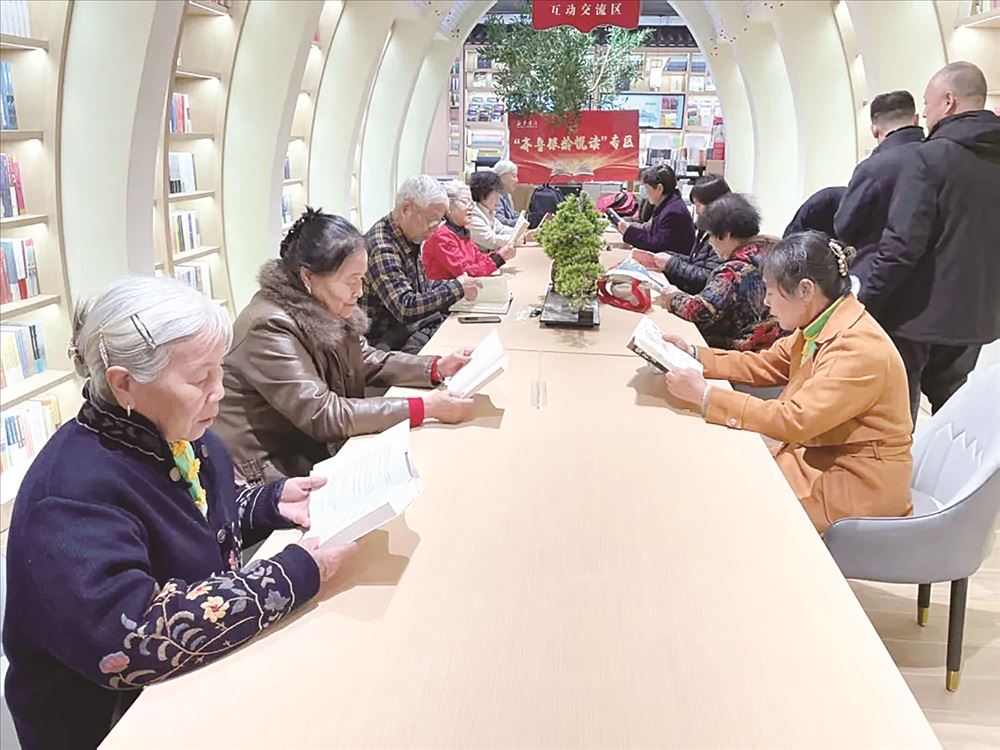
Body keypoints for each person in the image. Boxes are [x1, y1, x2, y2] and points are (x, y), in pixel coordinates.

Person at [2, 277, 359, 749]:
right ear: (124, 384)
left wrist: (267, 503)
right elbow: (130, 638)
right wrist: (291, 574)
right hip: (113, 726)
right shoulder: (69, 494)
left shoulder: (183, 438)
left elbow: (187, 521)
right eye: (199, 379)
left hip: (197, 689)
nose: (220, 392)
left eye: (219, 371)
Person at [662, 231, 914, 533]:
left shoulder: (858, 349)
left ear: (805, 290)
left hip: (858, 482)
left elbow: (796, 420)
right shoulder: (821, 322)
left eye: (771, 292)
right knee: (722, 473)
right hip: (818, 456)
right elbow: (765, 364)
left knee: (729, 498)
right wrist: (694, 355)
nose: (766, 303)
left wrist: (706, 397)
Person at [216, 208, 475, 484]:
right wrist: (425, 407)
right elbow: (323, 413)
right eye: (352, 281)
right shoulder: (268, 326)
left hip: (308, 451)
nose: (359, 291)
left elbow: (364, 357)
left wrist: (435, 367)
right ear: (308, 277)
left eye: (362, 279)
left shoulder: (322, 302)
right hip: (267, 475)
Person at [859, 61, 1000, 422]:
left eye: (927, 102)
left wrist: (866, 300)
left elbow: (902, 244)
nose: (924, 113)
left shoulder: (929, 157)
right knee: (951, 409)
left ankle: (898, 461)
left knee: (895, 413)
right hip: (978, 315)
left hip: (916, 314)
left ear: (948, 101)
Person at [362, 175, 481, 353]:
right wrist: (456, 288)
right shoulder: (382, 246)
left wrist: (458, 285)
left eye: (440, 220)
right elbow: (405, 307)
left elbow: (421, 286)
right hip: (383, 345)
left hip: (405, 332)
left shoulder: (410, 235)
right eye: (432, 219)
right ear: (406, 209)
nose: (435, 227)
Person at [659, 193, 782, 351]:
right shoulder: (774, 250)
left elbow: (700, 311)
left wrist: (673, 297)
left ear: (725, 234)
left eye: (710, 235)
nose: (710, 242)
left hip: (741, 351)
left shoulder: (734, 271)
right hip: (774, 347)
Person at [835, 90, 924, 283]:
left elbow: (845, 226)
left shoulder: (872, 168)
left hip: (880, 275)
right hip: (936, 275)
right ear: (916, 119)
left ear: (874, 130)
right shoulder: (941, 157)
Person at [631, 174, 728, 294]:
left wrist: (670, 263)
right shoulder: (705, 227)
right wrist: (667, 257)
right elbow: (695, 261)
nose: (697, 211)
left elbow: (708, 278)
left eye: (698, 205)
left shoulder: (722, 236)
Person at [422, 180, 516, 280]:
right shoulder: (441, 236)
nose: (471, 207)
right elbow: (466, 273)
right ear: (448, 205)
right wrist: (499, 258)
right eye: (465, 201)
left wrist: (499, 255)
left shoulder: (462, 230)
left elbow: (477, 258)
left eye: (471, 202)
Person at [615, 164, 696, 255]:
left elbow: (657, 245)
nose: (645, 192)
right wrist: (630, 230)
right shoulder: (667, 205)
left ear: (659, 188)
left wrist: (630, 232)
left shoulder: (672, 212)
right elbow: (652, 234)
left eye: (646, 188)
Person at [468, 170, 520, 252]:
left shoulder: (488, 212)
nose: (498, 198)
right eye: (495, 194)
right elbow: (491, 240)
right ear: (482, 193)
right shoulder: (473, 214)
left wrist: (520, 233)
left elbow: (501, 229)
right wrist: (517, 238)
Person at [491, 159, 520, 227]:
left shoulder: (507, 195)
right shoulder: (494, 196)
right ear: (502, 176)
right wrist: (523, 222)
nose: (517, 180)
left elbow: (513, 214)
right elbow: (501, 222)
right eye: (514, 176)